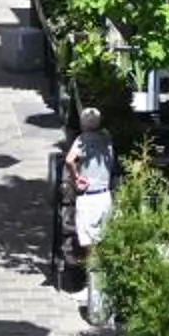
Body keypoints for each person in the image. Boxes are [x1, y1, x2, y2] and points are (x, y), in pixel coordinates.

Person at [66, 106, 116, 261]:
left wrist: (76, 177)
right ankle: (100, 275)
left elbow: (69, 160)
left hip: (88, 196)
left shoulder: (82, 140)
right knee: (103, 238)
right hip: (105, 195)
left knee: (89, 243)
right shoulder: (107, 139)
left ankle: (93, 275)